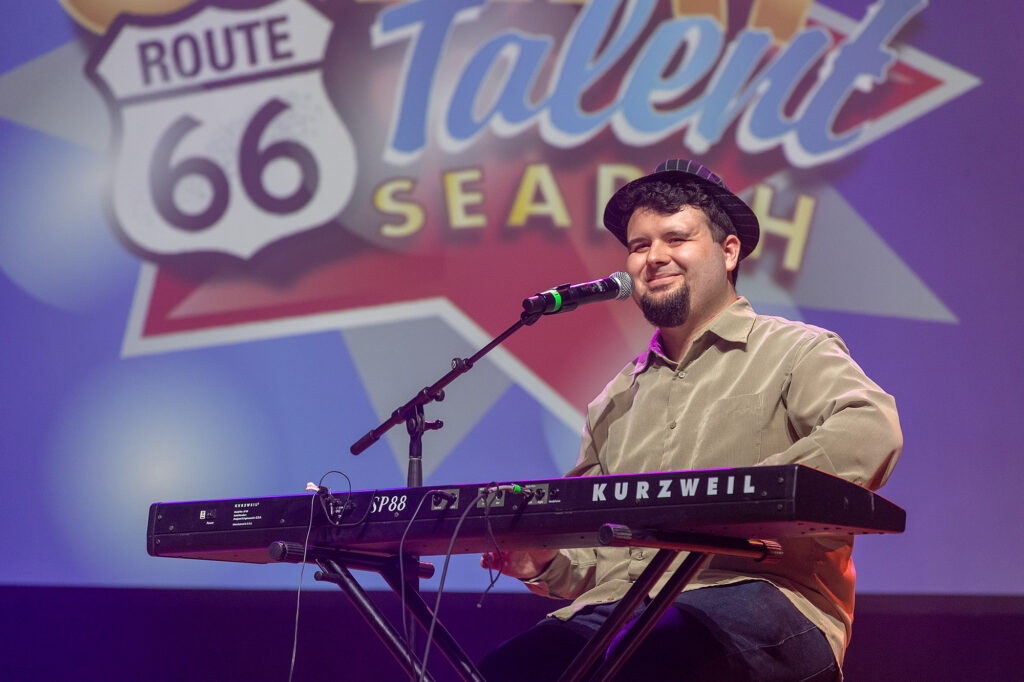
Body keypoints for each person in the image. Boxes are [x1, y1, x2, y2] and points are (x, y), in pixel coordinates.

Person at [477, 159, 902, 681]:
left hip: (761, 600)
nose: (654, 257)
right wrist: (539, 562)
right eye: (638, 246)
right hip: (621, 611)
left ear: (729, 252)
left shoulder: (795, 350)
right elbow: (593, 554)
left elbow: (869, 426)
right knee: (504, 669)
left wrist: (747, 496)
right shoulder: (614, 400)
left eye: (675, 238)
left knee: (650, 652)